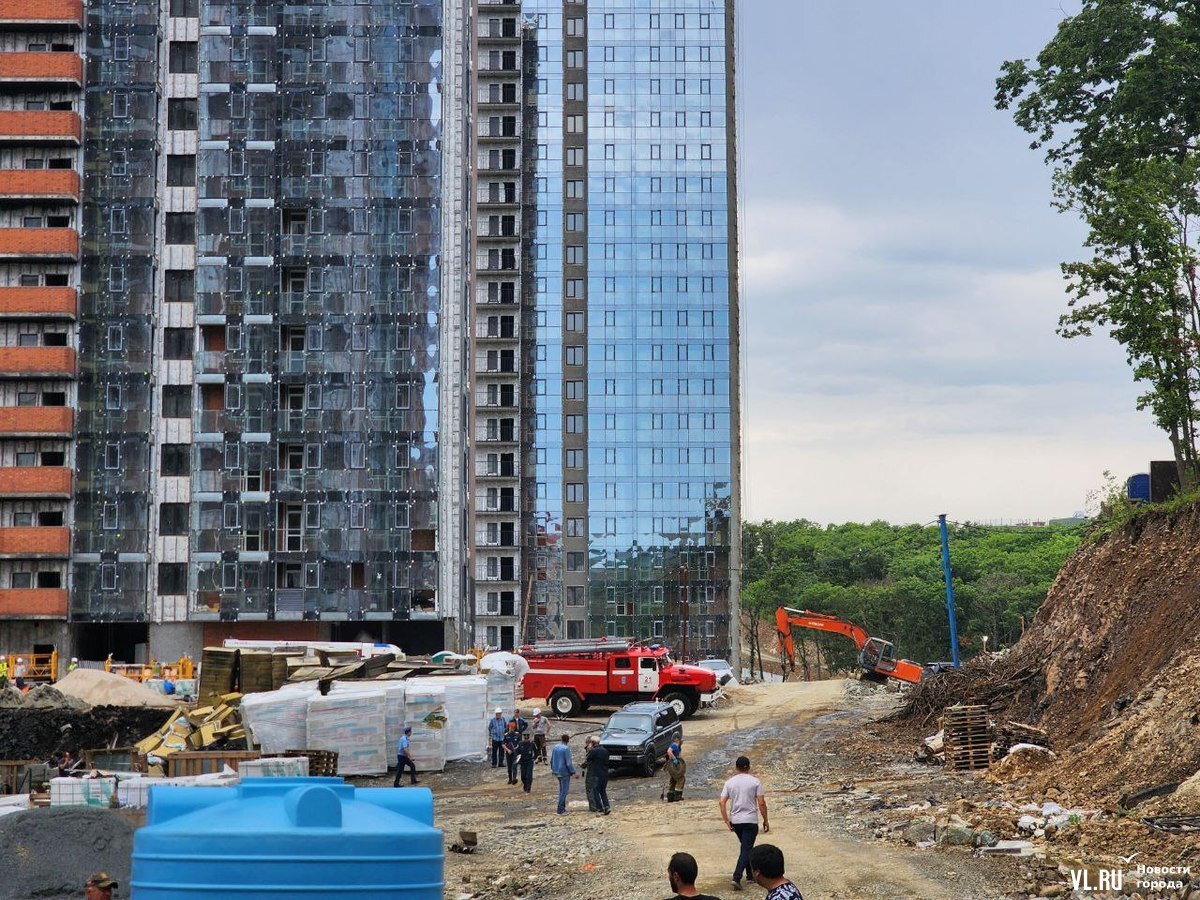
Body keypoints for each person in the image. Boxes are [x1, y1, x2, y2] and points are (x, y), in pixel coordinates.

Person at [718, 756, 769, 892]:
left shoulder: (730, 782)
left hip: (736, 821)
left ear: (736, 768)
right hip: (750, 820)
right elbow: (762, 803)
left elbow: (721, 802)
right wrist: (765, 820)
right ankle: (736, 876)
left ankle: (750, 875)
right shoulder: (755, 782)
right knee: (746, 848)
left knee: (746, 847)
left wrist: (726, 820)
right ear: (749, 767)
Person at [549, 732, 576, 814]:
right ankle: (560, 808)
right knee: (564, 791)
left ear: (561, 739)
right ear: (568, 740)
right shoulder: (566, 749)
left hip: (556, 770)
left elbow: (551, 759)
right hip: (564, 772)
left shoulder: (556, 747)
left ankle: (562, 807)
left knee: (561, 790)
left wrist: (553, 768)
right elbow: (568, 763)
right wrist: (573, 771)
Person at [585, 736, 611, 815]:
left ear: (592, 743)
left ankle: (599, 808)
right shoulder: (605, 750)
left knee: (595, 791)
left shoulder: (594, 751)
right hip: (605, 774)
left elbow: (588, 759)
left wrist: (589, 749)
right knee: (603, 791)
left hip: (596, 774)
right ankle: (606, 806)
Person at [664, 736, 686, 802]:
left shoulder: (677, 746)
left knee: (673, 780)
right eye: (680, 739)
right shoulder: (674, 745)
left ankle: (670, 796)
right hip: (674, 765)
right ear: (677, 739)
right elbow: (669, 751)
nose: (682, 740)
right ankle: (677, 796)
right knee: (681, 779)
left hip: (673, 765)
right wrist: (674, 759)